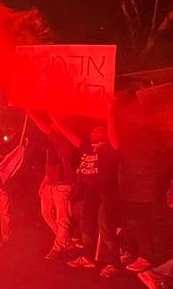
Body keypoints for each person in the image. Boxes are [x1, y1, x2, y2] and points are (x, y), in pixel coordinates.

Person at [52, 106, 122, 278]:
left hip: (106, 192)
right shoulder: (86, 147)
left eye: (99, 131)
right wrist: (54, 116)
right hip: (90, 191)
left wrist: (110, 114)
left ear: (105, 134)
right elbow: (67, 133)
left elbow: (112, 128)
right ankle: (88, 257)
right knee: (87, 225)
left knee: (105, 226)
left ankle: (115, 264)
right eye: (93, 131)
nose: (94, 133)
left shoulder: (111, 148)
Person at [29, 111, 78, 260]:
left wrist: (33, 113)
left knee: (62, 219)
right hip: (51, 184)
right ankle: (65, 241)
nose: (51, 127)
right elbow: (51, 165)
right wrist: (45, 182)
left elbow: (46, 129)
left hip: (63, 185)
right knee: (46, 213)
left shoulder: (67, 142)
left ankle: (58, 247)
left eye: (55, 125)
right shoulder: (52, 145)